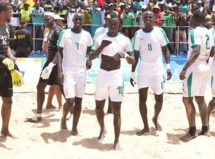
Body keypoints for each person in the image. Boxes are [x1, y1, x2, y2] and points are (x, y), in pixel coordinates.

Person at [88, 12, 135, 150]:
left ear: (119, 24)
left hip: (116, 76)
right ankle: (103, 129)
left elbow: (133, 60)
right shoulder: (100, 38)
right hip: (102, 74)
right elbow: (91, 56)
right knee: (98, 108)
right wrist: (102, 46)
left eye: (115, 24)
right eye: (110, 24)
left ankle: (116, 140)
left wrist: (124, 54)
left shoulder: (125, 40)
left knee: (117, 111)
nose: (113, 26)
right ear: (107, 25)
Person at [130, 10, 172, 136]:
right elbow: (136, 55)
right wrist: (132, 73)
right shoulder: (138, 34)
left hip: (157, 69)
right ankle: (146, 126)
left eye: (150, 17)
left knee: (159, 99)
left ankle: (155, 118)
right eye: (146, 17)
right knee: (142, 99)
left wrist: (168, 67)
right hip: (143, 69)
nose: (148, 18)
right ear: (142, 18)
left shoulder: (160, 31)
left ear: (154, 19)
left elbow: (166, 51)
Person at [179, 11, 214, 141]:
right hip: (206, 66)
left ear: (194, 18)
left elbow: (196, 51)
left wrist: (184, 69)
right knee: (200, 98)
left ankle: (192, 130)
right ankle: (205, 129)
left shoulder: (194, 32)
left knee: (187, 99)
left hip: (196, 67)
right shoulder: (208, 32)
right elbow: (212, 52)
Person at [57, 12, 93, 135]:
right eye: (76, 19)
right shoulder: (65, 33)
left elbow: (91, 49)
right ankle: (63, 118)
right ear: (72, 20)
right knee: (70, 101)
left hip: (81, 72)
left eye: (80, 19)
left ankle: (74, 127)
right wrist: (59, 70)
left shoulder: (87, 35)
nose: (78, 21)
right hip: (68, 70)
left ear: (84, 21)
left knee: (79, 101)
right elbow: (59, 52)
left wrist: (89, 59)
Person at [26, 13, 62, 122]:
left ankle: (72, 113)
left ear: (53, 19)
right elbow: (46, 47)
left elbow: (60, 51)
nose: (45, 20)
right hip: (50, 64)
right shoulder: (49, 31)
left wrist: (54, 65)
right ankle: (38, 115)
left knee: (63, 89)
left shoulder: (57, 31)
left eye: (48, 19)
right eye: (44, 19)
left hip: (55, 65)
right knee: (40, 86)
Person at [0, 2, 22, 137]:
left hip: (5, 68)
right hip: (2, 63)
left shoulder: (8, 27)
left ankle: (5, 129)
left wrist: (11, 57)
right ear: (2, 13)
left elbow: (7, 44)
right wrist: (4, 59)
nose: (11, 14)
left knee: (8, 100)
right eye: (9, 12)